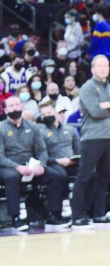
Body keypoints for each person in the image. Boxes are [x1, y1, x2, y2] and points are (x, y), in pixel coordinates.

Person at [72, 55, 110, 228]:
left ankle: (99, 213)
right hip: (92, 138)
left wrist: (108, 106)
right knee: (85, 176)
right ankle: (77, 215)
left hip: (109, 138)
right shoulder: (87, 88)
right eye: (99, 66)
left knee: (103, 177)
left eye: (106, 65)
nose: (103, 68)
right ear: (92, 69)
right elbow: (96, 112)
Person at [0, 95, 61, 230]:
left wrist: (41, 165)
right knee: (12, 177)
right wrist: (17, 167)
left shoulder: (33, 127)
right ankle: (15, 218)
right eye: (11, 106)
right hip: (8, 166)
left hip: (30, 165)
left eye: (17, 104)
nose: (15, 107)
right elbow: (0, 156)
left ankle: (53, 215)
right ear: (5, 110)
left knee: (55, 176)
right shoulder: (1, 128)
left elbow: (41, 150)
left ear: (22, 107)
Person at [39, 101, 77, 227]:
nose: (46, 116)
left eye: (49, 112)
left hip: (71, 162)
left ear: (55, 112)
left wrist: (73, 160)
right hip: (52, 162)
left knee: (90, 173)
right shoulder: (39, 132)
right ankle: (55, 214)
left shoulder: (70, 130)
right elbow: (40, 155)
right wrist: (57, 161)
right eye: (43, 114)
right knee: (59, 176)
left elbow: (78, 150)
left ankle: (84, 211)